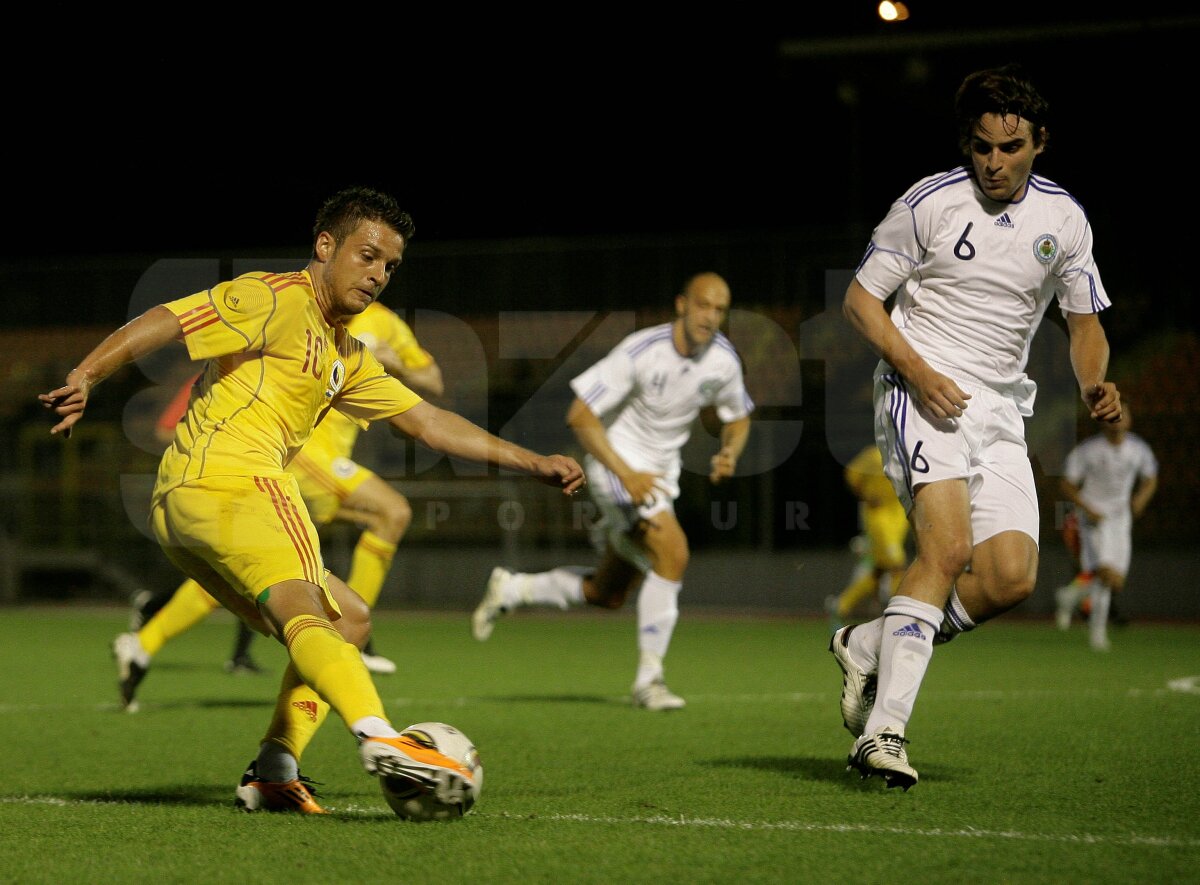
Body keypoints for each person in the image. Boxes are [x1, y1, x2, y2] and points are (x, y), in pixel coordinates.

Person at [40, 186, 584, 814]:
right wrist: (85, 374)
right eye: (368, 255)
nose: (378, 275)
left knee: (348, 619)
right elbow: (170, 318)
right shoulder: (274, 297)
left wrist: (530, 462)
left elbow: (428, 421)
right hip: (234, 479)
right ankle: (381, 737)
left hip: (189, 507)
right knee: (310, 606)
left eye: (390, 266)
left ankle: (275, 766)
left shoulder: (346, 354)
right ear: (325, 246)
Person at [834, 64, 1123, 790]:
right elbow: (862, 303)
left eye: (1011, 146)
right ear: (968, 142)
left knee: (1009, 577)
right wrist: (919, 371)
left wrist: (1093, 383)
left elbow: (1084, 323)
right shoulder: (928, 202)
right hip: (918, 385)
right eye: (983, 146)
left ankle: (870, 642)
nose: (994, 162)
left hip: (999, 407)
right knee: (948, 547)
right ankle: (883, 731)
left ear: (1039, 142)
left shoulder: (1065, 220)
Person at [122, 296, 444, 688]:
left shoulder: (386, 323)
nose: (370, 276)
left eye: (382, 265)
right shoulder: (296, 310)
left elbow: (433, 381)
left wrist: (392, 362)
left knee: (247, 567)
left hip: (322, 458)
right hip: (299, 452)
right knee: (391, 512)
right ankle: (353, 637)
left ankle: (143, 643)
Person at [470, 272, 753, 710]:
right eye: (703, 305)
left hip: (659, 478)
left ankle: (512, 590)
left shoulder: (723, 361)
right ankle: (649, 681)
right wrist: (625, 473)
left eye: (719, 310)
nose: (710, 317)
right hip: (613, 466)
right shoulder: (641, 351)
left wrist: (730, 451)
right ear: (682, 304)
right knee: (673, 552)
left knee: (607, 594)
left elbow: (738, 414)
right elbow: (580, 416)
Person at [1054, 402, 1157, 650]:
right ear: (1101, 420)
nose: (1118, 419)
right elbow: (1066, 483)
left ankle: (1068, 596)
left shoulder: (1138, 449)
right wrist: (1086, 508)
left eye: (1123, 414)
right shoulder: (1088, 450)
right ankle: (1097, 635)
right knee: (1105, 573)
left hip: (1120, 519)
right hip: (1093, 517)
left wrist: (1141, 499)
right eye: (1112, 415)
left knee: (1115, 580)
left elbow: (1151, 477)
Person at [825, 444, 909, 631]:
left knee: (879, 571)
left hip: (899, 513)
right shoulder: (872, 455)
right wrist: (865, 495)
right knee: (897, 565)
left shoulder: (909, 452)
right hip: (878, 516)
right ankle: (900, 616)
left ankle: (840, 606)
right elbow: (850, 475)